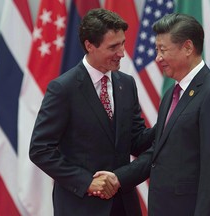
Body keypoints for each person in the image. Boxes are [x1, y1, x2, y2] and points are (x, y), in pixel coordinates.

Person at [97, 13, 210, 216]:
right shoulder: (171, 95)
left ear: (188, 48)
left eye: (163, 50)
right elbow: (158, 152)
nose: (157, 58)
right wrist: (118, 178)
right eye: (156, 49)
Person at [29, 8, 154, 216]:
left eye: (122, 43)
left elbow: (136, 140)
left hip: (124, 206)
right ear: (90, 45)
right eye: (113, 46)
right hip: (82, 207)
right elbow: (40, 150)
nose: (122, 52)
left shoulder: (127, 83)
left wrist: (170, 121)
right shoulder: (63, 89)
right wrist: (87, 182)